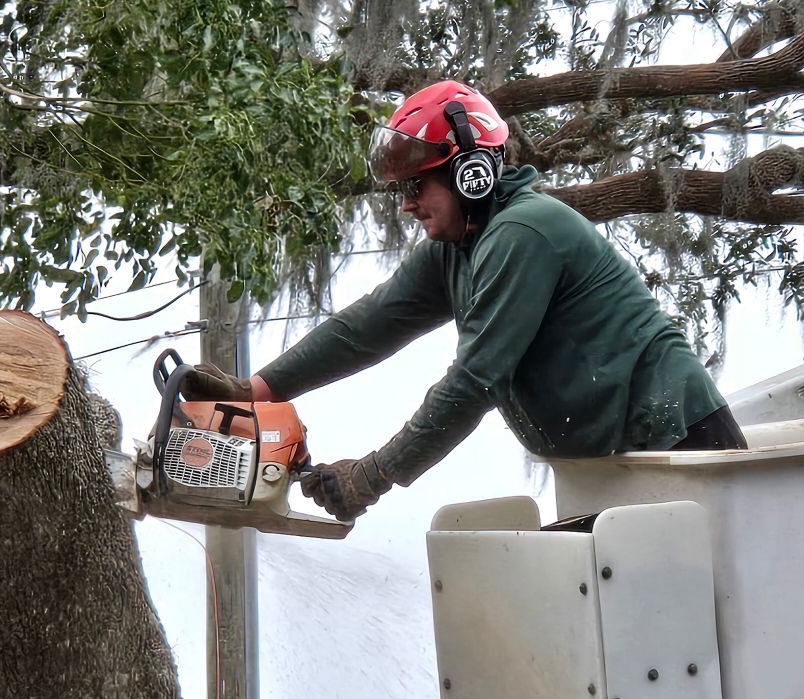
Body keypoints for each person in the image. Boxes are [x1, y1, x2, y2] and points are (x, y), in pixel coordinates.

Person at [185, 79, 747, 522]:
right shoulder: (457, 247)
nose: (406, 205)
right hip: (608, 462)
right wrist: (254, 391)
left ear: (470, 173)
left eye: (415, 186)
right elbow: (367, 326)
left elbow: (475, 381)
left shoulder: (523, 233)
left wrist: (374, 475)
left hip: (678, 446)